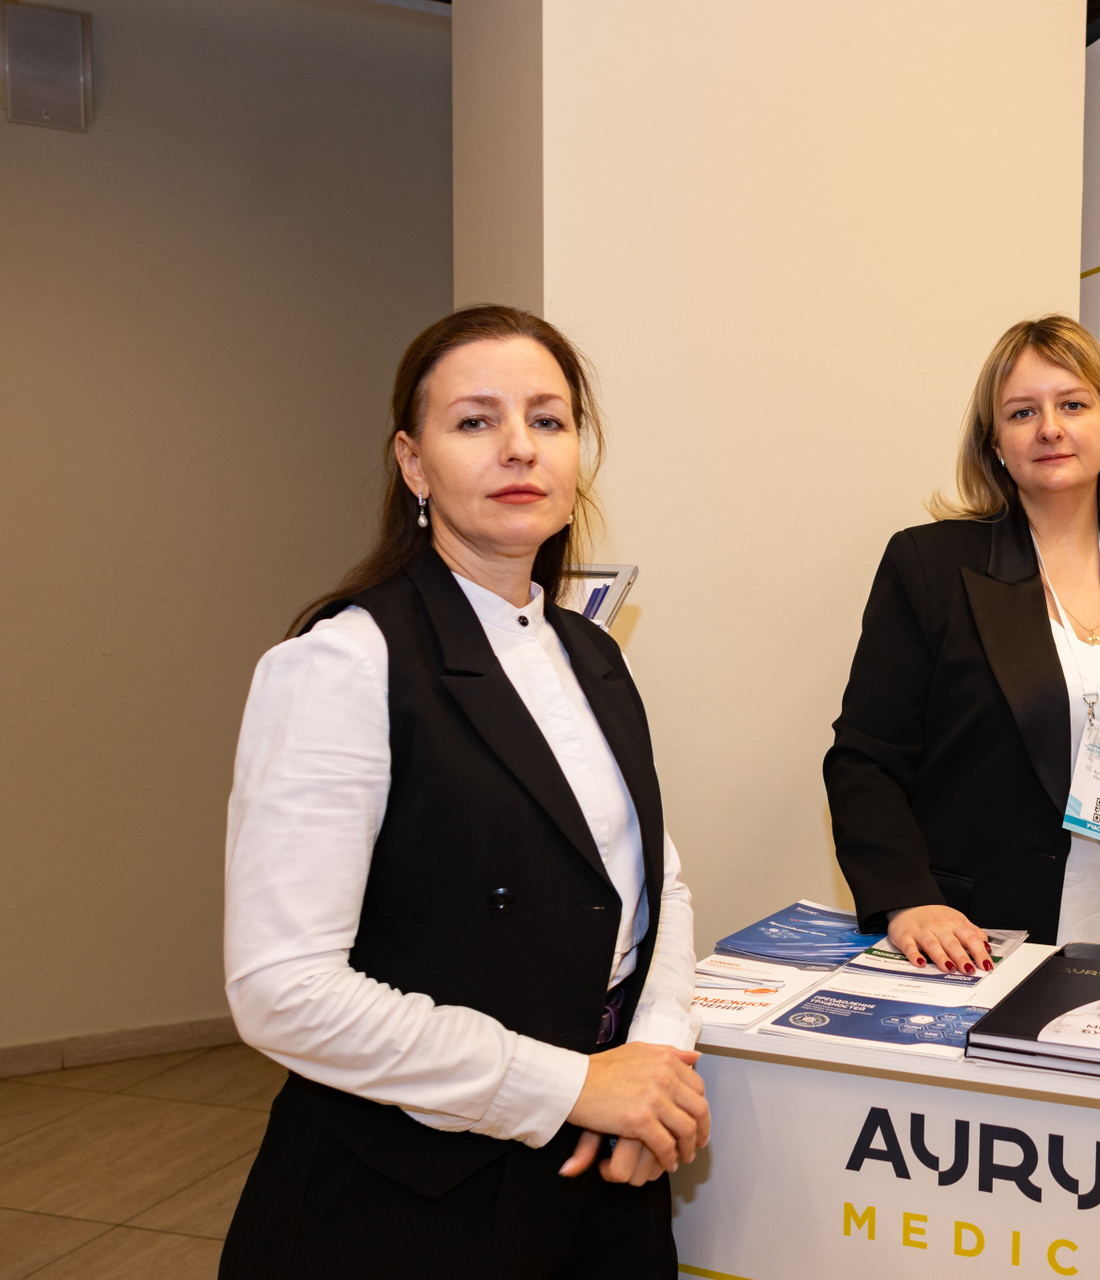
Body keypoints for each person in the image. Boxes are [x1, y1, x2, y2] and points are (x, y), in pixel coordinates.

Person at [221, 306, 705, 1279]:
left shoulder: (592, 654)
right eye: (475, 421)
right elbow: (282, 991)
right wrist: (571, 1086)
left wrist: (651, 1067)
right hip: (408, 1199)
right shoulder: (345, 663)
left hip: (599, 1175)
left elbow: (657, 887)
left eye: (548, 419)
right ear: (413, 462)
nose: (519, 445)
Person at [824, 315, 1100, 974]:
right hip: (974, 946)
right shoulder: (930, 568)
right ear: (995, 441)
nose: (1050, 427)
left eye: (1073, 405)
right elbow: (865, 761)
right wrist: (910, 900)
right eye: (1023, 412)